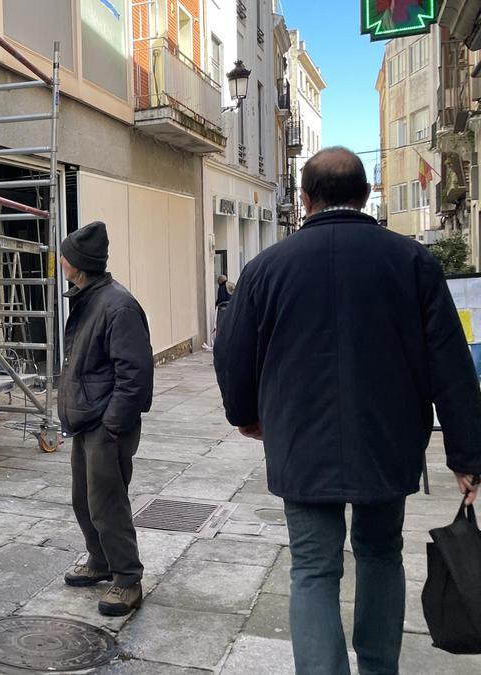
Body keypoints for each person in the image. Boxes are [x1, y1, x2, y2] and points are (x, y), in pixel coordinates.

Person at [214, 147, 481, 675]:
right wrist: (467, 453)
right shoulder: (413, 262)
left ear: (304, 199)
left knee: (313, 568)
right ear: (365, 196)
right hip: (387, 440)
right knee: (381, 554)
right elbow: (450, 362)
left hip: (300, 441)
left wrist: (245, 413)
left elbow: (232, 351)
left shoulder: (265, 268)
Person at [57, 221, 154, 617]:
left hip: (106, 424)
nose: (60, 262)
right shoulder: (88, 298)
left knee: (107, 503)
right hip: (87, 420)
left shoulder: (117, 305)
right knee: (84, 499)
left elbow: (135, 374)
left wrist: (112, 425)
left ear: (79, 265)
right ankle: (99, 560)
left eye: (65, 258)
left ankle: (127, 579)